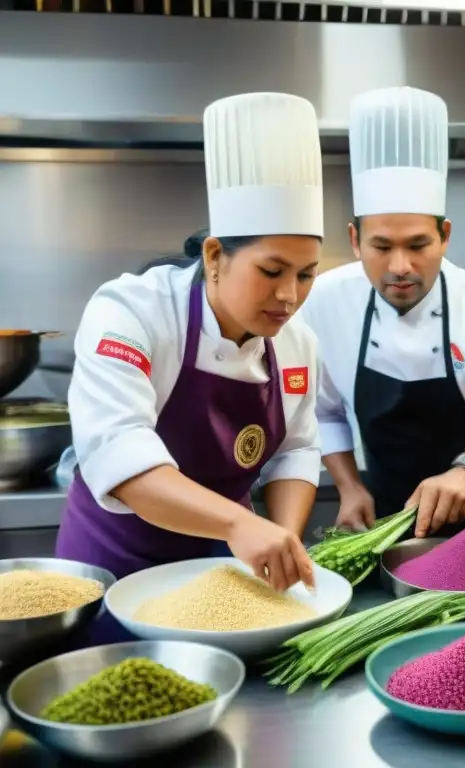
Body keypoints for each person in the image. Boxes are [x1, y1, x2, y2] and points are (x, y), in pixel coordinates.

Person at [57, 93, 326, 623]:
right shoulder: (131, 313)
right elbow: (122, 455)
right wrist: (238, 525)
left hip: (225, 574)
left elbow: (296, 450)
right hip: (117, 567)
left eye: (307, 273)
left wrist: (282, 537)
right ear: (214, 256)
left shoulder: (296, 343)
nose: (290, 296)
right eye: (272, 272)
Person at [300, 86, 465, 539]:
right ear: (354, 240)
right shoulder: (325, 299)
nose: (400, 267)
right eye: (380, 247)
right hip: (388, 521)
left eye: (418, 245)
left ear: (445, 236)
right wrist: (350, 487)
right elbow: (325, 410)